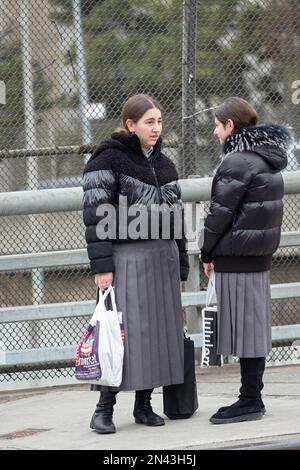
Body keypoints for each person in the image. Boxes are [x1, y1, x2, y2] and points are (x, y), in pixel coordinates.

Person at [82, 93, 189, 433]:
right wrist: (102, 266)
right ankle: (104, 407)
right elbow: (96, 216)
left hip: (163, 260)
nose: (156, 128)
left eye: (159, 121)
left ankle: (144, 404)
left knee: (156, 332)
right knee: (120, 333)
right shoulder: (107, 160)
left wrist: (182, 264)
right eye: (149, 122)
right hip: (127, 259)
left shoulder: (165, 164)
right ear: (130, 125)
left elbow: (176, 219)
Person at [200, 96, 292, 424]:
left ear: (230, 126)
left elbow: (219, 214)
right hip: (258, 257)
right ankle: (251, 396)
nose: (214, 132)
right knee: (251, 328)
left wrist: (206, 251)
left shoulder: (237, 161)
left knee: (243, 330)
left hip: (236, 256)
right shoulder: (267, 159)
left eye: (217, 125)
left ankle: (250, 400)